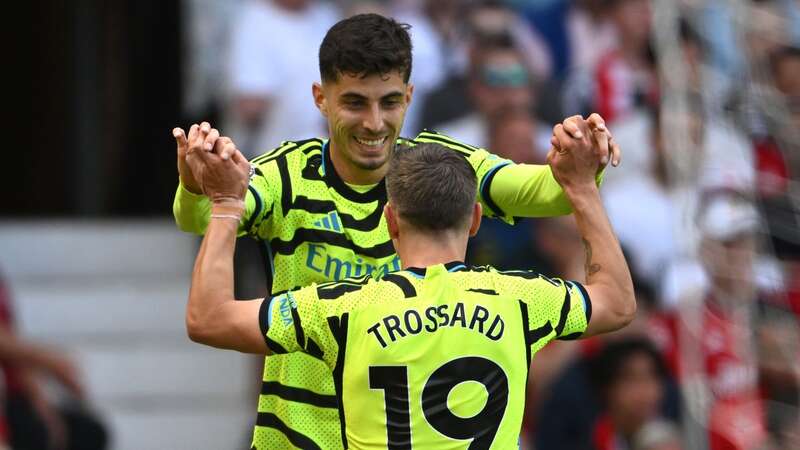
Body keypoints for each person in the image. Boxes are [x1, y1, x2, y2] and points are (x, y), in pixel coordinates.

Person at [172, 13, 620, 449]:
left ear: (408, 96)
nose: (373, 122)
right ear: (320, 98)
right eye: (354, 102)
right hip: (297, 438)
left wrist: (584, 158)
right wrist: (195, 185)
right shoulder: (286, 173)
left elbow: (547, 190)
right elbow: (206, 216)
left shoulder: (435, 169)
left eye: (388, 102)